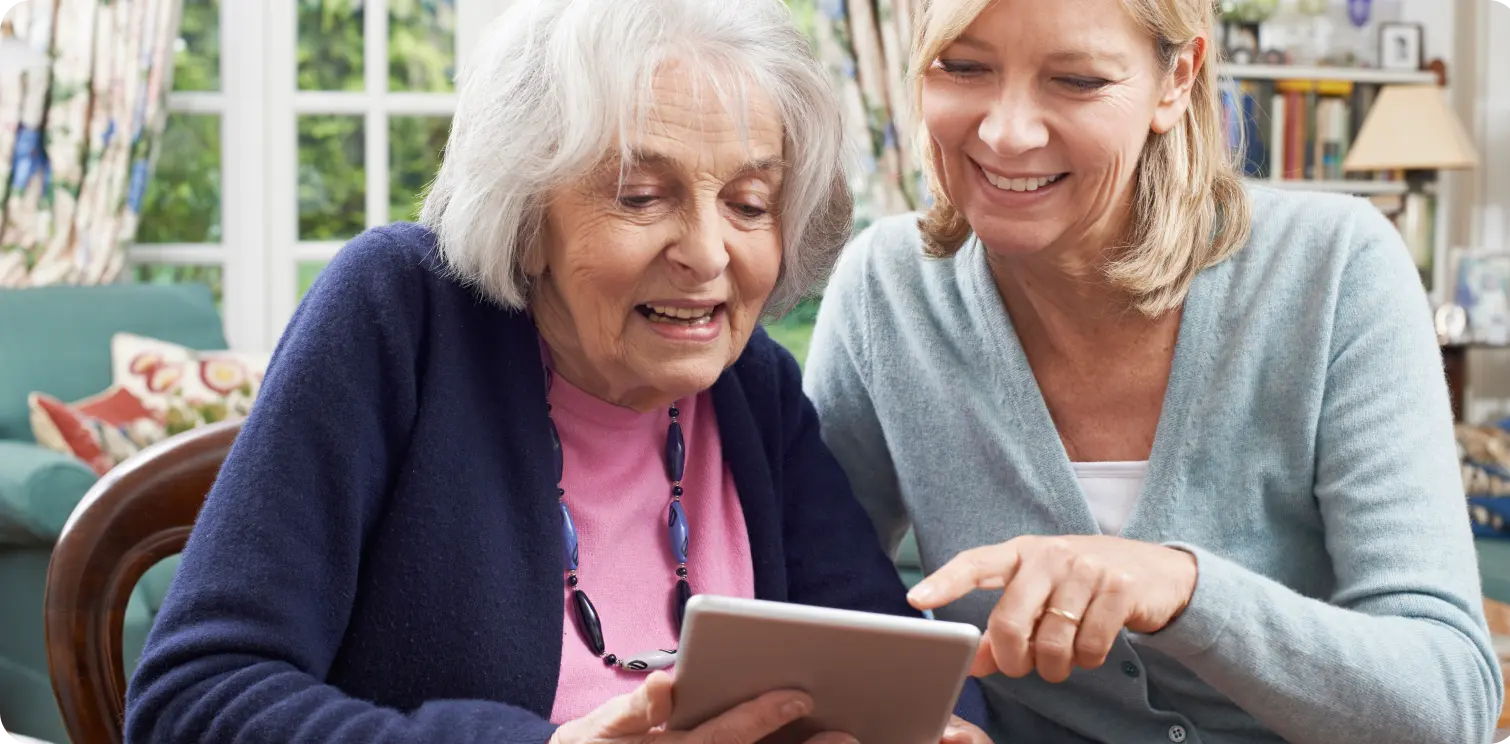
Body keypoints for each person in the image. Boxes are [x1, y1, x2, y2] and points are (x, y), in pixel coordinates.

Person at [122, 1, 990, 742]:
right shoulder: (401, 315)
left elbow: (907, 669)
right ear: (527, 213)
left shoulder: (750, 389)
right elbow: (193, 698)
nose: (704, 252)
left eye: (748, 204)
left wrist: (948, 728)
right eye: (641, 196)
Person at [802, 0, 1503, 742]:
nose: (1007, 132)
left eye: (1075, 80)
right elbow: (814, 606)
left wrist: (1180, 589)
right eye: (963, 67)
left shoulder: (1335, 270)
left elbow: (1446, 701)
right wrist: (921, 719)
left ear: (1176, 80)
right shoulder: (889, 289)